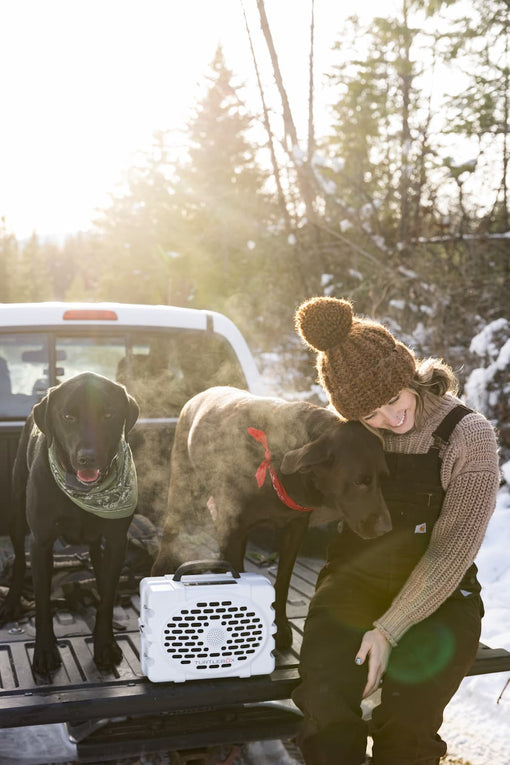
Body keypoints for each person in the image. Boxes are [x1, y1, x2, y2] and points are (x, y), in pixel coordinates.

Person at [291, 296, 500, 765]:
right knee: (325, 708)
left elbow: (451, 553)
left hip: (441, 598)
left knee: (407, 725)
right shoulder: (352, 434)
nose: (389, 420)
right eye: (369, 415)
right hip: (353, 583)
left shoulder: (468, 436)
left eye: (392, 400)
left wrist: (387, 630)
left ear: (408, 377)